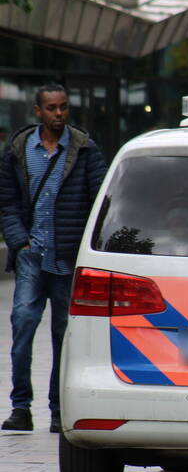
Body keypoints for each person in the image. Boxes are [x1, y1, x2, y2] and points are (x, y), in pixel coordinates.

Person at [0, 84, 108, 433]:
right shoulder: (19, 149)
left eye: (63, 107)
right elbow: (7, 202)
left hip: (68, 260)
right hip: (32, 256)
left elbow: (101, 202)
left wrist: (85, 249)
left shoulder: (85, 149)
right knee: (22, 327)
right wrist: (20, 243)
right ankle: (21, 408)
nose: (58, 114)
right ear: (38, 111)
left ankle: (59, 410)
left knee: (65, 337)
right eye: (51, 108)